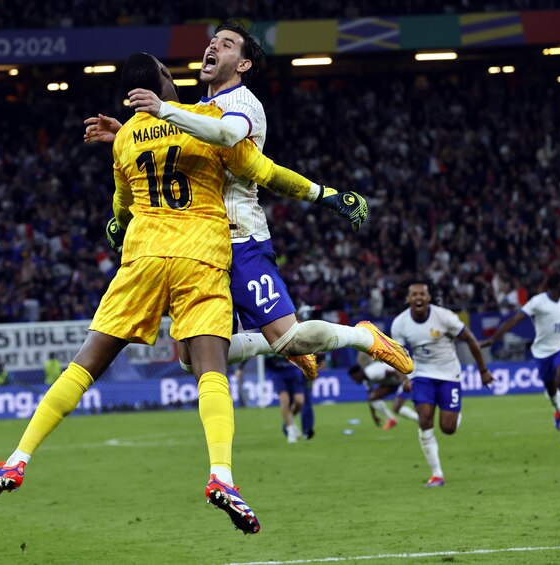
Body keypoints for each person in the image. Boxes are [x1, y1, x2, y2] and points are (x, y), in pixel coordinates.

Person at [0, 53, 362, 534]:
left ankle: (17, 458)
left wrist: (119, 225)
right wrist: (325, 196)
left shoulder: (124, 139)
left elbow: (122, 207)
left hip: (143, 257)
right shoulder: (206, 119)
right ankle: (221, 475)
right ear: (163, 80)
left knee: (86, 361)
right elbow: (264, 172)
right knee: (209, 371)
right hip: (199, 255)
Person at [84, 20, 413, 380]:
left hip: (238, 237)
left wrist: (162, 110)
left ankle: (363, 336)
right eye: (213, 41)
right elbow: (170, 148)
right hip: (198, 246)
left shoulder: (242, 103)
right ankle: (278, 344)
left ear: (243, 65)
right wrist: (127, 133)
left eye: (226, 44)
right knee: (190, 360)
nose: (213, 46)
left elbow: (227, 136)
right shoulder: (198, 108)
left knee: (289, 337)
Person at [390, 282, 493, 487]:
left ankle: (454, 415)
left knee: (448, 428)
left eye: (422, 294)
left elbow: (471, 340)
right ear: (408, 299)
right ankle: (437, 474)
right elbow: (395, 355)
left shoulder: (445, 317)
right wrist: (404, 378)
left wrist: (483, 371)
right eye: (414, 294)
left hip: (448, 374)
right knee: (425, 418)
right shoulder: (399, 324)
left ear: (428, 298)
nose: (418, 297)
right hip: (422, 375)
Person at [482, 273, 560, 445]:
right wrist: (495, 338)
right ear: (555, 286)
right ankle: (557, 410)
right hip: (542, 352)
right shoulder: (538, 302)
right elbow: (515, 320)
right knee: (551, 390)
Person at [347, 352, 418, 430]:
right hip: (392, 383)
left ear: (359, 373)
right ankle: (391, 419)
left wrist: (404, 382)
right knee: (373, 397)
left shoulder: (372, 372)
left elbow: (393, 372)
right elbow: (370, 398)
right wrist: (374, 416)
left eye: (355, 377)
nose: (355, 380)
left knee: (396, 408)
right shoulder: (366, 380)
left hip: (402, 377)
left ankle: (419, 419)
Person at [265, 354, 306, 443]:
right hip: (277, 372)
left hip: (293, 370)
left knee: (299, 401)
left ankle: (290, 420)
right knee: (284, 400)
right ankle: (290, 431)